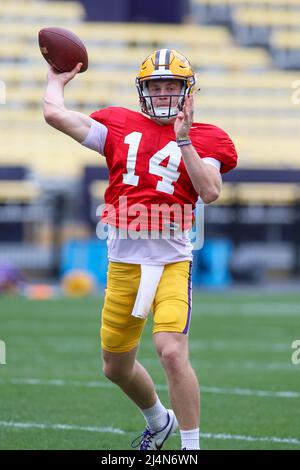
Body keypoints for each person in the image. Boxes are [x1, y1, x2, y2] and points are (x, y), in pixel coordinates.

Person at [43, 48, 237, 450]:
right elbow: (55, 115)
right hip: (124, 265)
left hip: (171, 263)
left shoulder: (209, 137)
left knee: (170, 351)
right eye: (155, 86)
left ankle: (190, 449)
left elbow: (210, 191)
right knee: (115, 367)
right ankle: (158, 420)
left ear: (188, 92)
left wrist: (184, 141)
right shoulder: (118, 125)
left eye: (171, 86)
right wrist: (56, 81)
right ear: (142, 90)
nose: (163, 93)